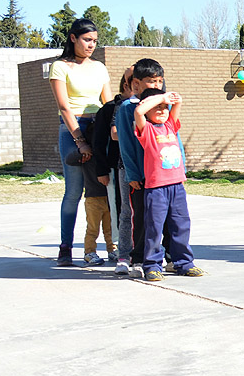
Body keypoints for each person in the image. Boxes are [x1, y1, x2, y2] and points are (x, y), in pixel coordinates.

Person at [48, 18, 109, 267]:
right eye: (86, 39)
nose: (91, 45)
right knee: (73, 192)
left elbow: (106, 102)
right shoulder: (60, 67)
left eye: (94, 40)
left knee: (103, 190)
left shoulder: (99, 67)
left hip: (99, 128)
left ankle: (109, 247)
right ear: (73, 38)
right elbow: (64, 106)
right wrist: (80, 140)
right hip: (73, 128)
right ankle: (65, 248)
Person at [133, 89, 204, 281]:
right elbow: (138, 112)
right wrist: (161, 98)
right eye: (157, 107)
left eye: (165, 107)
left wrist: (174, 101)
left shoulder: (170, 127)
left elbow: (176, 106)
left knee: (181, 225)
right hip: (156, 188)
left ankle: (184, 262)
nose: (162, 110)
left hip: (176, 186)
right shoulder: (146, 130)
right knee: (154, 227)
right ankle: (152, 265)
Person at [117, 59, 168, 276]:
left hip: (163, 175)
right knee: (141, 217)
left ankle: (167, 255)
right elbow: (127, 145)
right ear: (136, 84)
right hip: (141, 175)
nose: (156, 86)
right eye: (150, 82)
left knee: (166, 218)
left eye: (159, 81)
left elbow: (173, 136)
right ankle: (138, 257)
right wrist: (133, 173)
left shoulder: (164, 105)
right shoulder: (129, 108)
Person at [91, 71, 133, 275]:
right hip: (113, 168)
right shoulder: (110, 109)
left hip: (135, 167)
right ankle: (117, 247)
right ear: (126, 84)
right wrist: (101, 169)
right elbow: (98, 142)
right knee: (118, 207)